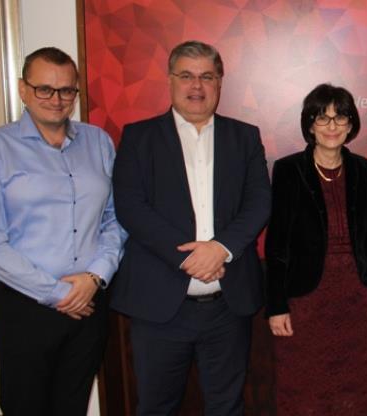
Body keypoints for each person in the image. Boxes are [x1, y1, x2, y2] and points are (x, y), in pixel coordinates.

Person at [110, 40, 271, 415]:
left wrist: (220, 249)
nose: (196, 86)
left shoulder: (244, 137)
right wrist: (188, 258)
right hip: (159, 306)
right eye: (186, 75)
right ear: (169, 80)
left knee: (227, 407)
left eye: (207, 77)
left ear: (219, 82)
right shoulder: (139, 137)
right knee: (156, 408)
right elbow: (131, 207)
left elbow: (259, 202)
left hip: (228, 306)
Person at [0, 47, 125, 414]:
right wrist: (58, 293)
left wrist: (96, 276)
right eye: (44, 89)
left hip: (89, 303)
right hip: (25, 305)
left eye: (66, 90)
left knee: (73, 406)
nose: (56, 99)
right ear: (23, 89)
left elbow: (115, 219)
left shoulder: (98, 141)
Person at [266, 83, 367, 414]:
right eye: (322, 118)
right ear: (310, 125)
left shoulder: (363, 169)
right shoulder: (289, 170)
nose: (332, 126)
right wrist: (276, 305)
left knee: (354, 385)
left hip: (356, 295)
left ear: (351, 125)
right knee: (303, 387)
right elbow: (277, 244)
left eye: (340, 117)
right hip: (305, 298)